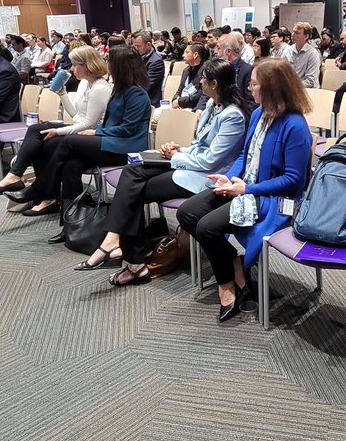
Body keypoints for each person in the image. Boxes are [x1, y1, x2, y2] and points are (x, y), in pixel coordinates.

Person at [85, 59, 250, 279]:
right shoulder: (212, 105)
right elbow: (199, 145)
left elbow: (210, 161)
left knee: (134, 191)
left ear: (214, 84)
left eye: (203, 79)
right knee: (131, 172)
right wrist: (178, 149)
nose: (200, 82)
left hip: (204, 177)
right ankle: (117, 244)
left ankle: (128, 254)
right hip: (189, 164)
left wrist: (176, 157)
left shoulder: (233, 116)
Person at [176, 61, 313, 323]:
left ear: (271, 87)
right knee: (187, 213)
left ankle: (227, 284)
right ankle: (235, 263)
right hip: (245, 187)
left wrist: (247, 188)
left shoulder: (295, 125)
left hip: (270, 198)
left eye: (254, 84)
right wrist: (228, 179)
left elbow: (293, 181)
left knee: (207, 227)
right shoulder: (260, 114)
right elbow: (244, 155)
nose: (249, 89)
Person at [6, 46, 150, 215]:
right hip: (113, 141)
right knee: (70, 165)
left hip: (127, 148)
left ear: (120, 67)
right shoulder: (120, 90)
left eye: (110, 61)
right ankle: (71, 220)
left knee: (68, 141)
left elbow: (127, 129)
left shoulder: (137, 94)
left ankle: (40, 189)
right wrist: (98, 131)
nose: (107, 64)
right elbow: (109, 122)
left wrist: (97, 132)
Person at [0, 47, 112, 196]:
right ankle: (17, 176)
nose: (71, 68)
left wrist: (57, 131)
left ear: (87, 65)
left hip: (90, 135)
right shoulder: (84, 84)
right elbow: (76, 115)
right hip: (78, 128)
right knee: (35, 129)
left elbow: (89, 124)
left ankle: (40, 192)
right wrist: (62, 94)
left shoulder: (100, 88)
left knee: (46, 143)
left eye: (75, 65)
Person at [197, 33, 254, 112]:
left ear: (228, 52)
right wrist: (199, 109)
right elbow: (206, 89)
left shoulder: (247, 70)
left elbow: (251, 103)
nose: (215, 51)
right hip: (212, 111)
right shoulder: (215, 66)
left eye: (218, 48)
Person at [131, 31, 166, 107]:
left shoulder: (156, 62)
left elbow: (146, 85)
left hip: (149, 102)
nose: (136, 49)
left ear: (148, 45)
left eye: (138, 46)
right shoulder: (138, 58)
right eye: (135, 46)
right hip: (138, 98)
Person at [172, 43, 208, 109]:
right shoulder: (186, 71)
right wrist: (175, 99)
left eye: (187, 52)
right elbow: (180, 90)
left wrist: (180, 101)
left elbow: (200, 96)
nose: (183, 55)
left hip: (193, 107)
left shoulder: (205, 71)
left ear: (195, 55)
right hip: (180, 105)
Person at [288, 22, 322, 88]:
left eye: (297, 33)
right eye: (293, 32)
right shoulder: (288, 50)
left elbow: (310, 81)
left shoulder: (313, 53)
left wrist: (292, 87)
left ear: (306, 36)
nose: (293, 35)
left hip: (308, 90)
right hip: (292, 89)